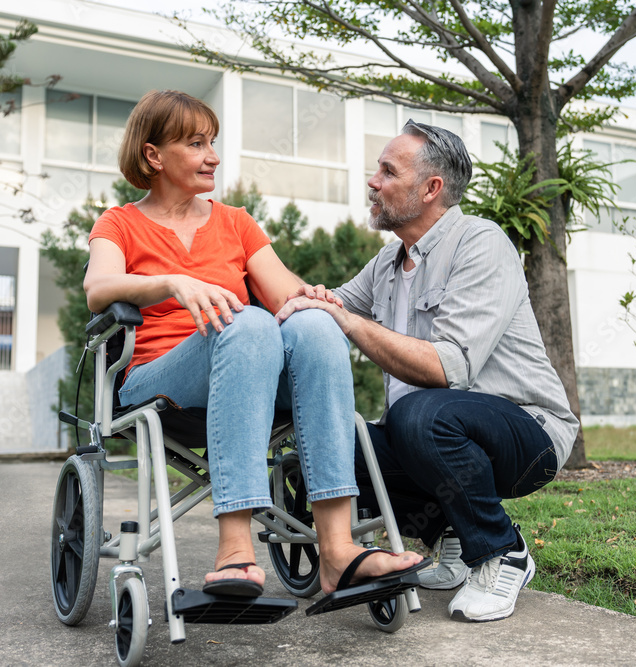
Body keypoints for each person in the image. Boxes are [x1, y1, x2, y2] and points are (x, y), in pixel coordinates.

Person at [84, 90, 426, 603]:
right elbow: (99, 289)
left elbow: (285, 292)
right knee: (245, 323)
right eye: (196, 144)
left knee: (312, 325)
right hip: (159, 379)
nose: (213, 156)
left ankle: (338, 551)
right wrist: (172, 283)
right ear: (154, 156)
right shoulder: (120, 223)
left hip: (248, 368)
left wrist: (315, 300)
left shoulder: (235, 222)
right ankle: (234, 548)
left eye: (213, 143)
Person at [275, 120, 579, 622]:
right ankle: (455, 538)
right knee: (333, 444)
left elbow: (447, 366)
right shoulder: (388, 263)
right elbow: (324, 308)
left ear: (431, 188)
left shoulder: (480, 243)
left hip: (530, 434)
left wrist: (346, 321)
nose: (373, 181)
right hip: (434, 427)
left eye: (388, 171)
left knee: (418, 414)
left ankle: (502, 550)